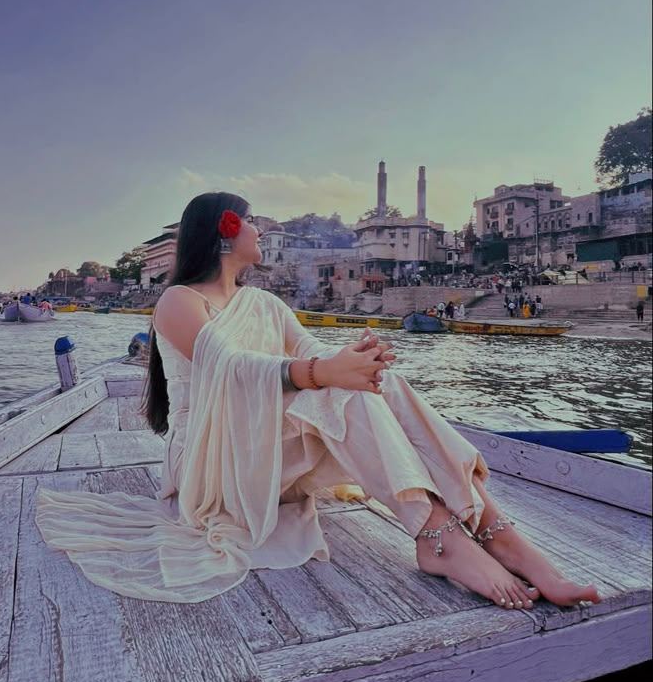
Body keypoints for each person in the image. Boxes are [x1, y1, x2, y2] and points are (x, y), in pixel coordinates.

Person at [36, 192, 599, 610]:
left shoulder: (267, 305)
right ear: (227, 231)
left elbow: (311, 353)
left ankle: (495, 529)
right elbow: (231, 369)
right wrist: (325, 372)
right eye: (251, 220)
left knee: (376, 385)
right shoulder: (178, 302)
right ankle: (439, 537)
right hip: (216, 464)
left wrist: (358, 359)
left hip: (273, 458)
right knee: (339, 395)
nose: (259, 229)